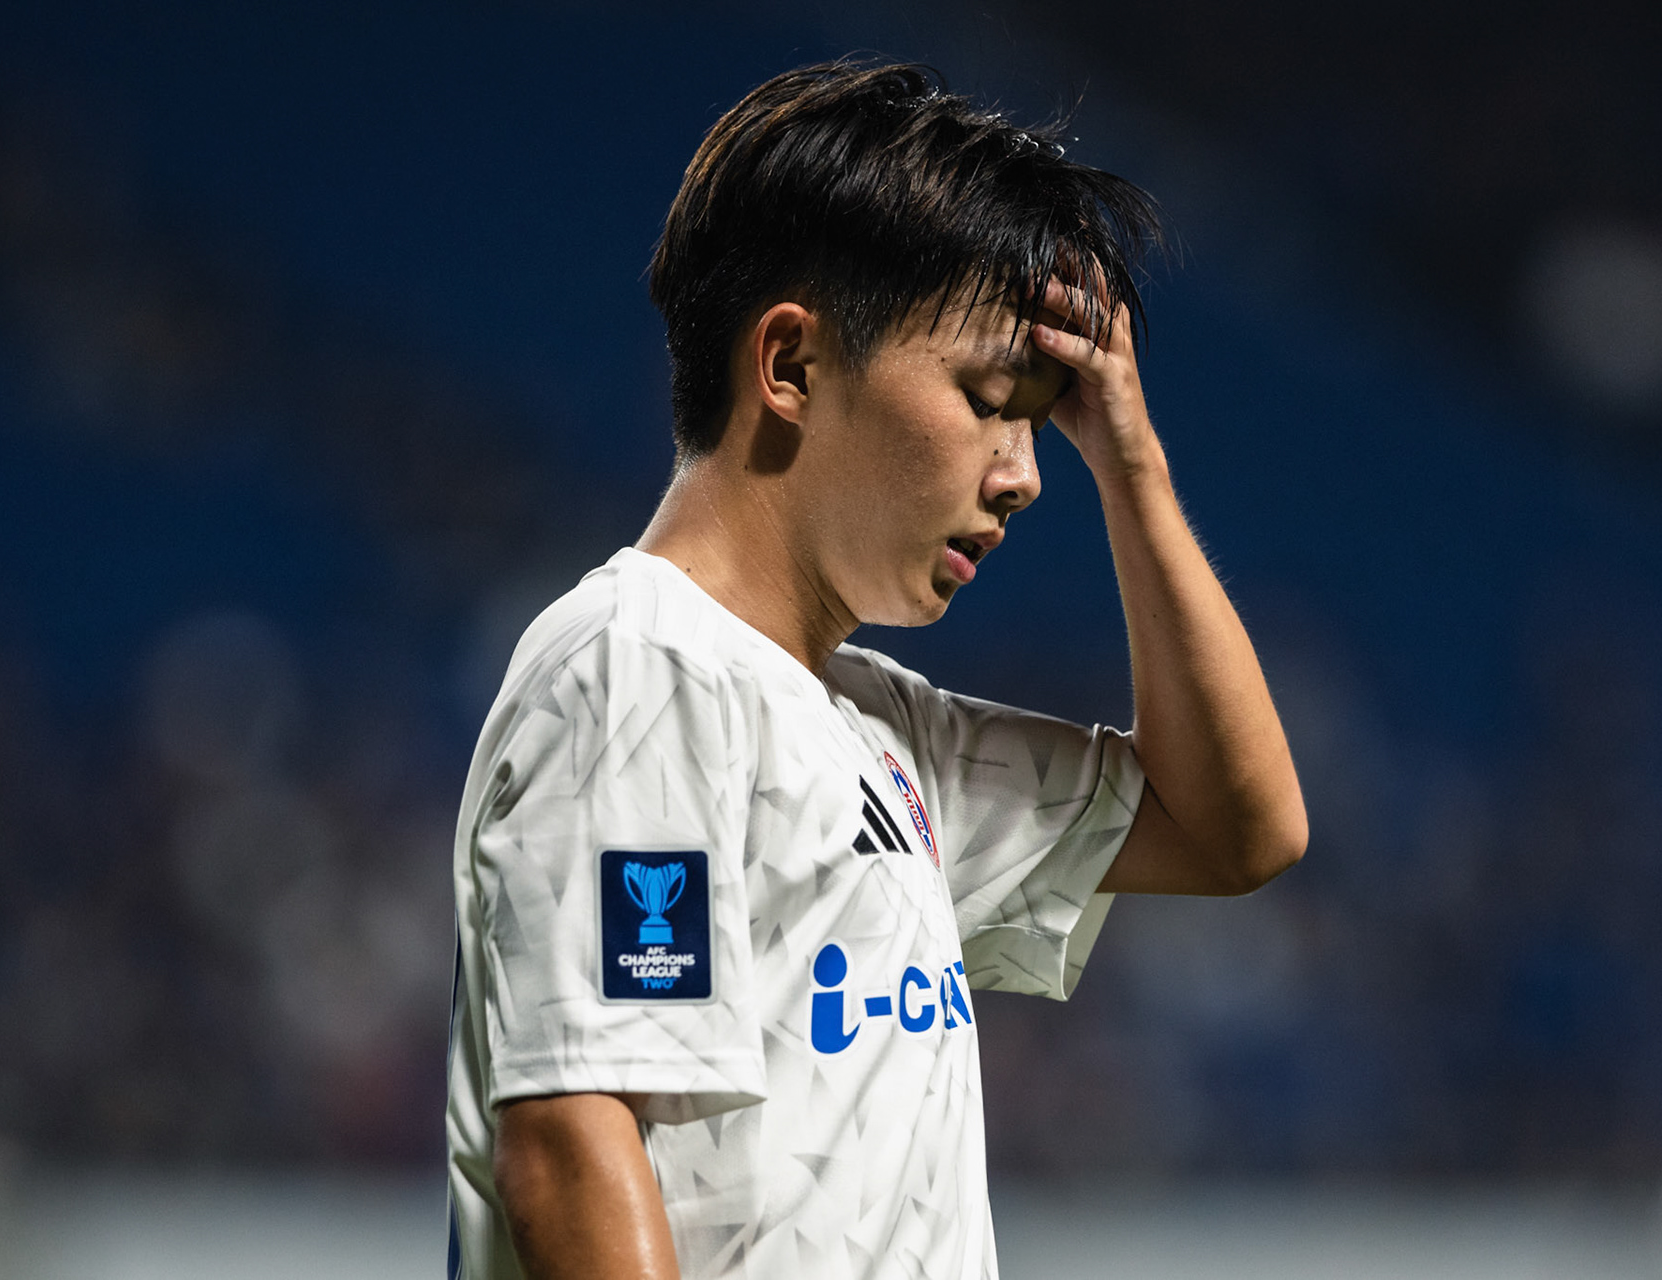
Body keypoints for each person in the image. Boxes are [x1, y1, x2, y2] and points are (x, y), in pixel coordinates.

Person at [445, 59, 1308, 1280]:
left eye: (1043, 419)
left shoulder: (883, 734)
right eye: (991, 398)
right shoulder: (641, 667)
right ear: (793, 364)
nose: (1025, 474)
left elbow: (1236, 830)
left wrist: (1133, 464)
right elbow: (570, 1144)